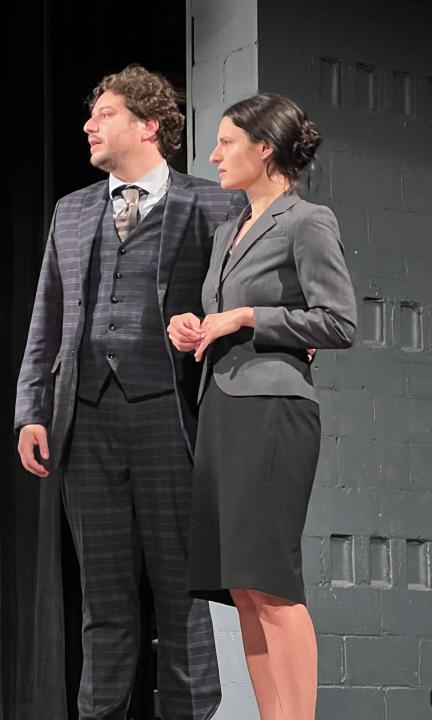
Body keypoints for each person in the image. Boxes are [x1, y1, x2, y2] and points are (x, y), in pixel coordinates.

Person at [15, 64, 247, 719]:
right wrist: (30, 410)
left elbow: (243, 299)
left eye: (106, 113)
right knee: (104, 601)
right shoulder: (73, 210)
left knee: (182, 598)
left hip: (171, 422)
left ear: (150, 125)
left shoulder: (214, 204)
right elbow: (48, 316)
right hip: (85, 424)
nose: (89, 124)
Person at [168, 94, 356, 720]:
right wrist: (197, 326)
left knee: (271, 583)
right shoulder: (228, 229)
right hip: (222, 407)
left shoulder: (308, 221)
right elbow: (224, 317)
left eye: (226, 142)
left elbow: (337, 322)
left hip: (274, 409)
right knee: (243, 587)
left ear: (265, 147)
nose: (214, 155)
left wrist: (249, 315)